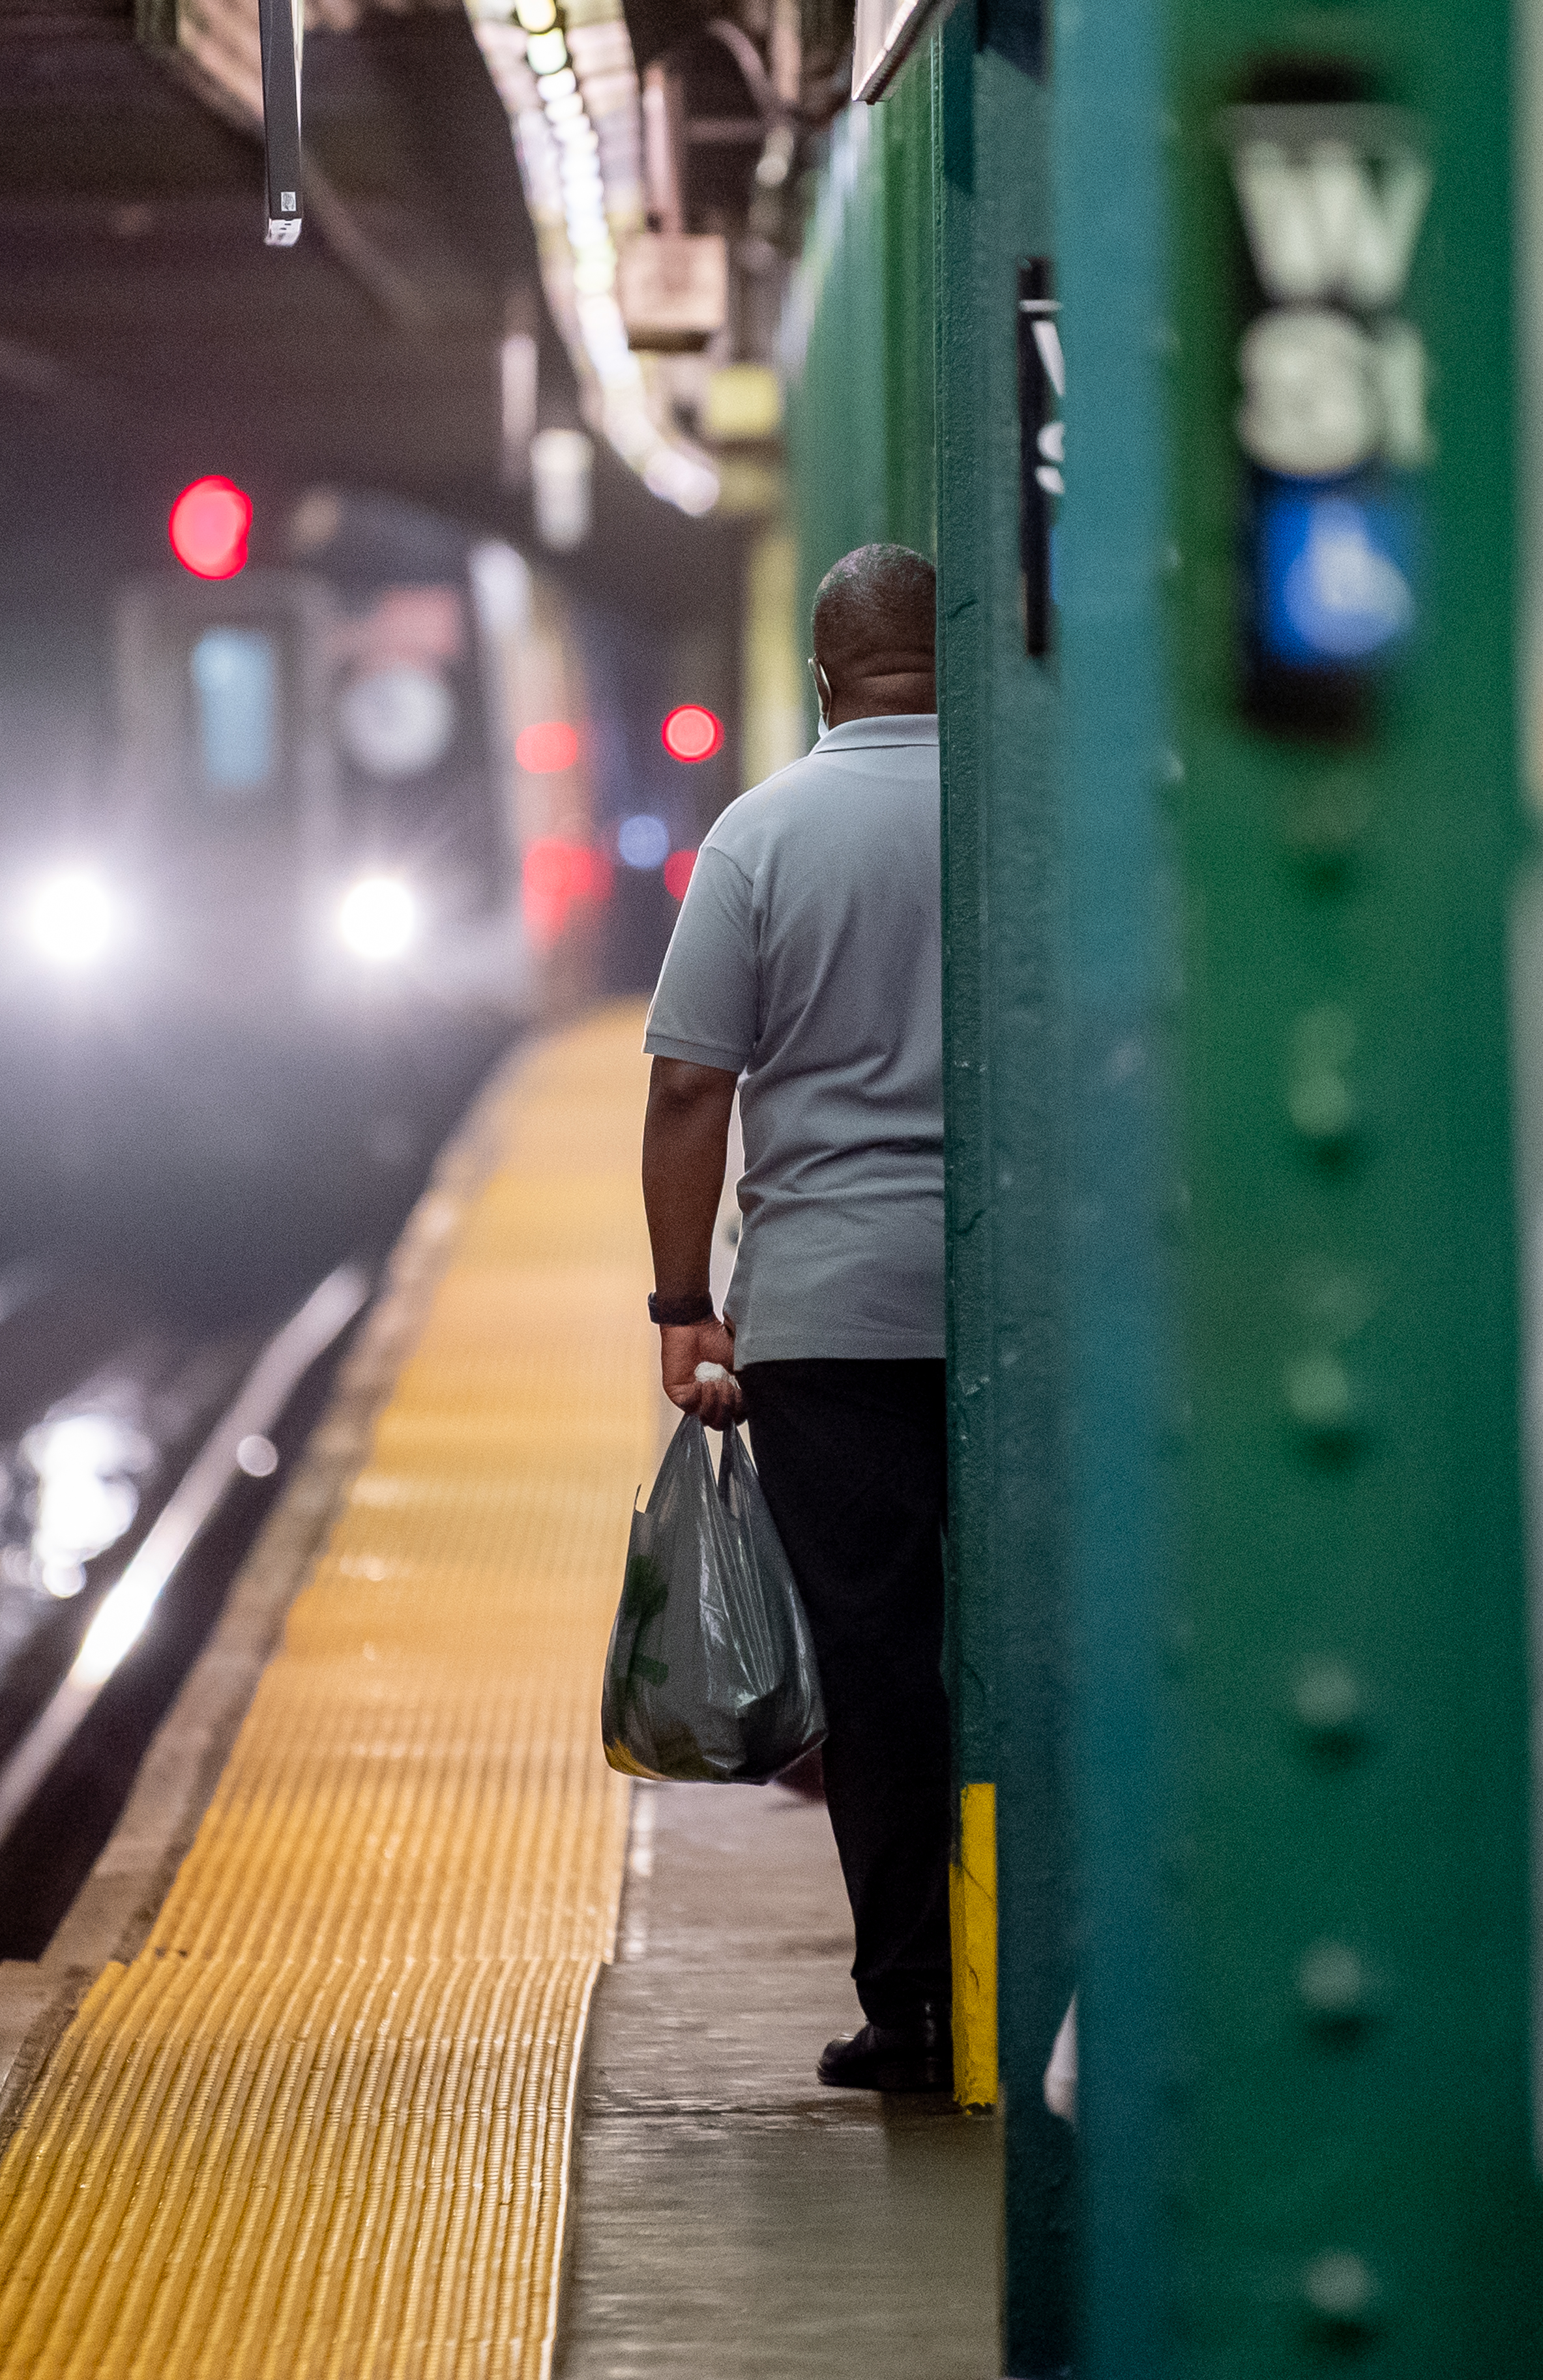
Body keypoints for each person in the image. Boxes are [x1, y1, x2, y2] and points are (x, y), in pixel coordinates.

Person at [637, 542, 953, 2093]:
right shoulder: (1030, 817)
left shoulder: (761, 834)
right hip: (1021, 1314)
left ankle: (915, 2004)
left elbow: (691, 1086)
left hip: (826, 1318)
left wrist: (684, 1308)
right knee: (1035, 1647)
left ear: (826, 675)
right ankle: (1064, 1979)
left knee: (879, 1665)